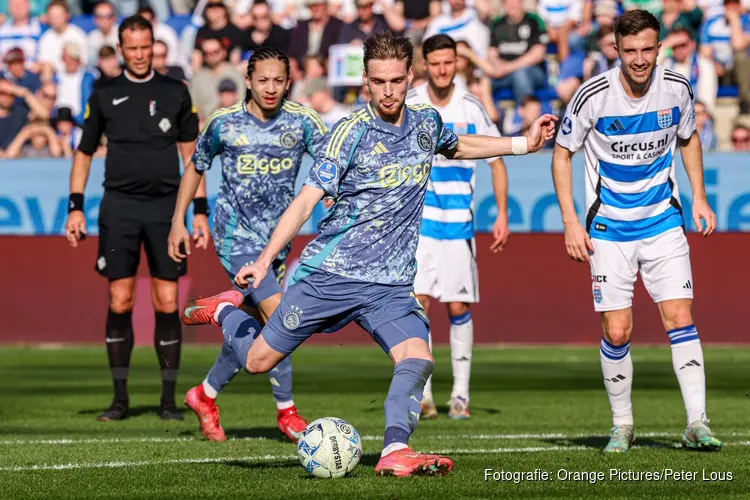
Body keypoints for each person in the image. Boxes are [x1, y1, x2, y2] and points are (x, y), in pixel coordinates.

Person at [181, 31, 555, 477]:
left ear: (409, 77)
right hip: (331, 276)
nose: (389, 91)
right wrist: (264, 261)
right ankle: (227, 311)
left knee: (417, 358)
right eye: (379, 82)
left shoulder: (425, 124)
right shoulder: (349, 133)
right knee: (259, 361)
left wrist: (522, 144)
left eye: (397, 80)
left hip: (392, 286)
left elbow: (459, 146)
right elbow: (304, 201)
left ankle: (396, 449)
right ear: (366, 80)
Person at [552, 10, 722, 453]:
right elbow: (561, 153)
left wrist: (699, 197)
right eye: (630, 51)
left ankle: (696, 423)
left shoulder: (677, 88)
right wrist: (571, 220)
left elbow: (688, 139)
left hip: (664, 223)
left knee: (680, 318)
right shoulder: (592, 96)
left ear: (659, 48)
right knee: (617, 331)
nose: (640, 59)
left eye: (648, 49)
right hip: (609, 229)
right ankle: (622, 425)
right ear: (616, 50)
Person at [168, 47, 327, 442]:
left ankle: (204, 395)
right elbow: (195, 168)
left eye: (278, 81)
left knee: (257, 332)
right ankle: (287, 412)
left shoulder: (304, 123)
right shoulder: (224, 123)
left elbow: (333, 166)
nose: (270, 88)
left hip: (276, 244)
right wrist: (179, 221)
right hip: (234, 238)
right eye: (263, 80)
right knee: (281, 321)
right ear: (249, 80)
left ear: (289, 82)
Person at [64, 15, 209, 422]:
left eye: (147, 46)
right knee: (120, 299)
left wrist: (200, 212)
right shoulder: (104, 92)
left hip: (167, 209)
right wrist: (75, 206)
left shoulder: (175, 91)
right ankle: (120, 399)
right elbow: (84, 152)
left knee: (166, 301)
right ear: (121, 49)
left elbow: (191, 156)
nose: (141, 54)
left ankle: (168, 400)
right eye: (133, 48)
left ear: (154, 46)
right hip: (119, 208)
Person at [405, 34, 509, 420]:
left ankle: (461, 395)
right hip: (418, 224)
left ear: (457, 64)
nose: (443, 69)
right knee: (418, 305)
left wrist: (501, 212)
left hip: (459, 225)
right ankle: (425, 394)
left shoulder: (471, 107)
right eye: (436, 63)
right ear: (425, 66)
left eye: (449, 62)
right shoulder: (411, 104)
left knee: (458, 306)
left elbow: (496, 160)